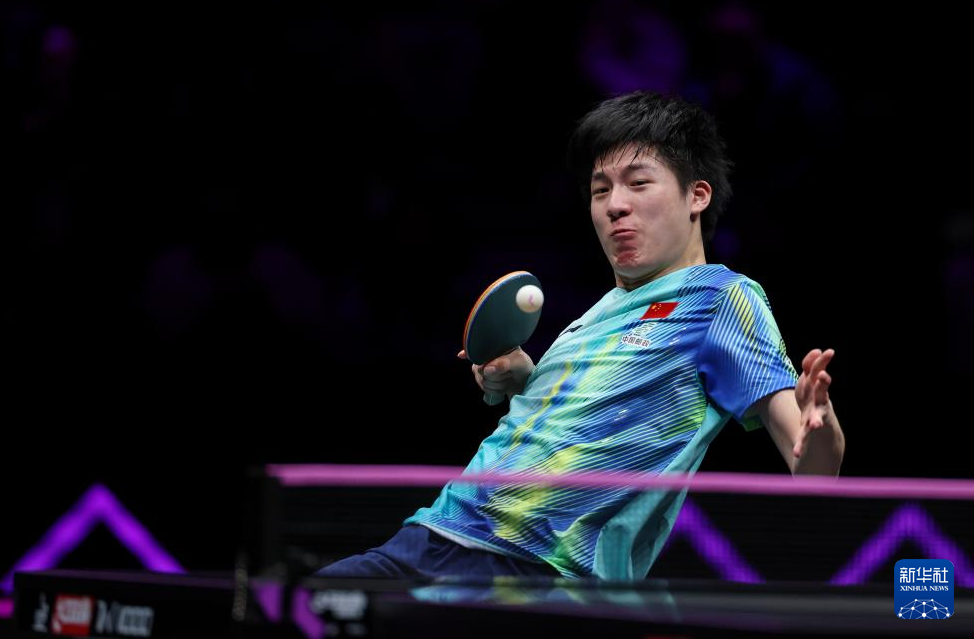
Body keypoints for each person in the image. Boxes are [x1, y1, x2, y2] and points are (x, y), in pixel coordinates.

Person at [314, 90, 845, 581]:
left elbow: (813, 472)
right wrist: (526, 379)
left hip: (534, 571)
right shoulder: (592, 318)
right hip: (435, 532)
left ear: (697, 196)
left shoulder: (720, 298)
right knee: (296, 603)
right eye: (600, 189)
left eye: (638, 183)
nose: (615, 205)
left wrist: (820, 431)